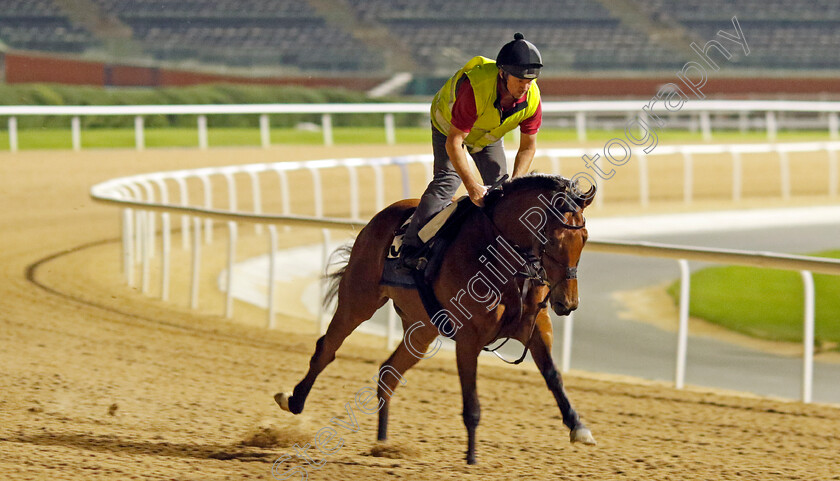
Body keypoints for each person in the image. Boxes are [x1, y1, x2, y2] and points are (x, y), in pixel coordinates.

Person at [399, 32, 544, 269]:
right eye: (519, 80)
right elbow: (455, 142)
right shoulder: (475, 89)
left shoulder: (533, 97)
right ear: (502, 73)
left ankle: (497, 251)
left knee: (503, 189)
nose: (525, 87)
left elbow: (528, 147)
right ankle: (410, 249)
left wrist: (516, 183)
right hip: (449, 127)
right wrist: (472, 186)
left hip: (486, 135)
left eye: (530, 81)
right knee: (447, 181)